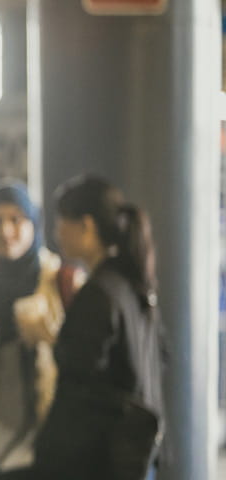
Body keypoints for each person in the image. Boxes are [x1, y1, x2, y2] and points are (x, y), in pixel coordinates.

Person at [28, 175, 164, 479]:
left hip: (100, 457)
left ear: (86, 226)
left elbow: (80, 377)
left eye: (63, 221)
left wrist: (49, 338)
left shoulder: (98, 292)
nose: (57, 232)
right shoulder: (131, 284)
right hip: (134, 452)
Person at [0, 183, 79, 479]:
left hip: (41, 445)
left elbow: (86, 365)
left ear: (34, 223)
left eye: (16, 220)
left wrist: (47, 341)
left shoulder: (61, 284)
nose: (5, 231)